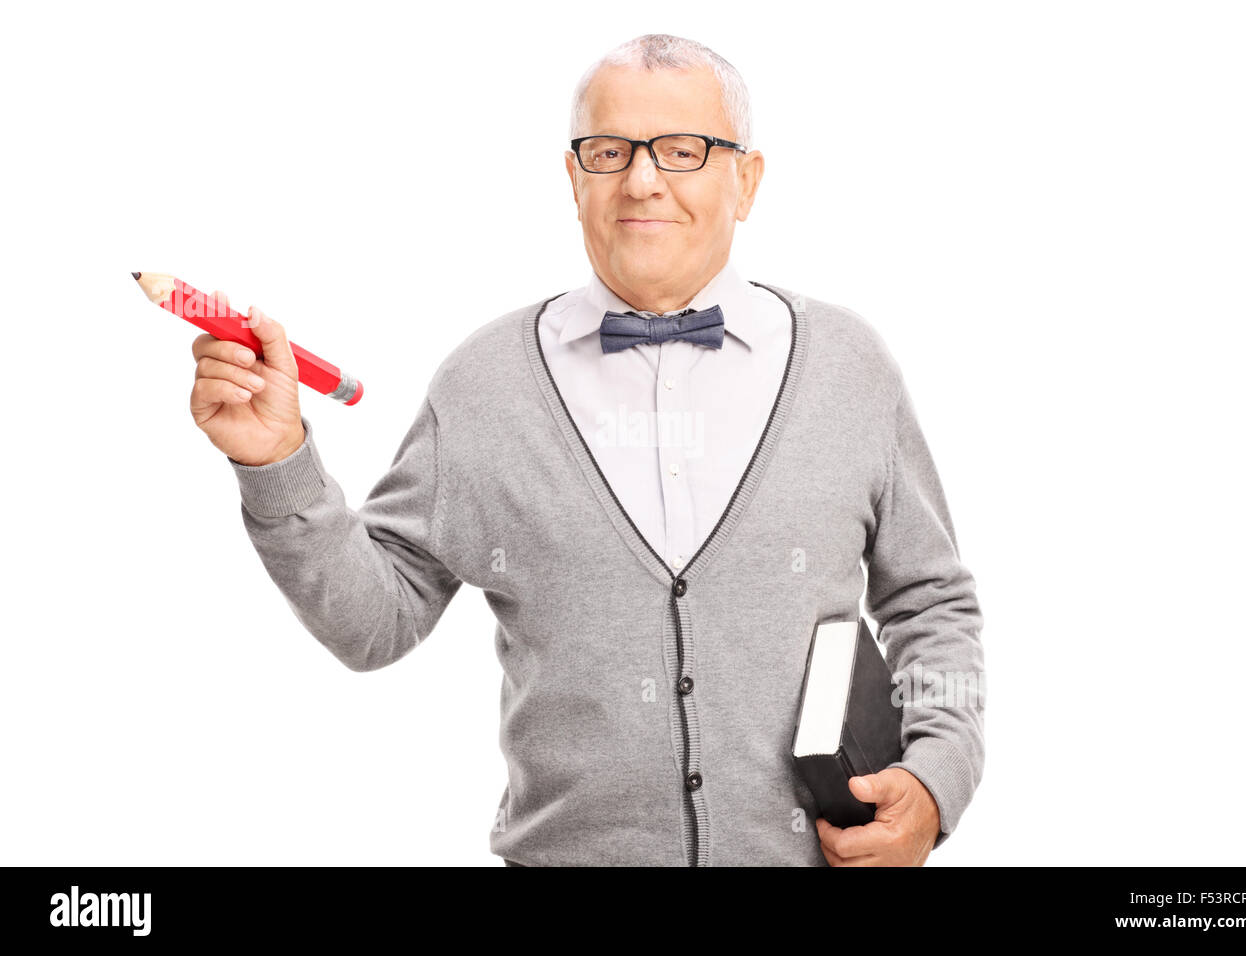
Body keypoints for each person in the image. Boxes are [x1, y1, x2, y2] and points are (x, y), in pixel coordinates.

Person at [188, 33, 985, 867]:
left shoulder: (849, 368)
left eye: (683, 151)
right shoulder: (484, 385)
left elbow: (930, 604)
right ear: (574, 179)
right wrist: (277, 462)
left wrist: (936, 780)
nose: (642, 180)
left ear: (745, 180)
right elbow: (374, 624)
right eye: (610, 152)